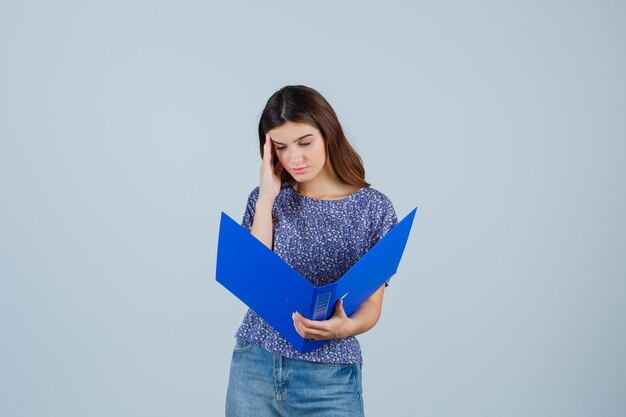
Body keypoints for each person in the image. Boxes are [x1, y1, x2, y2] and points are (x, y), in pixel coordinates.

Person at [225, 85, 397, 417]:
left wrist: (344, 328)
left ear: (327, 134)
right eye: (281, 147)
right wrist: (266, 197)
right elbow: (255, 279)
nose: (294, 158)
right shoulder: (267, 201)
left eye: (304, 143)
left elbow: (372, 306)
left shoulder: (374, 210)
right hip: (255, 366)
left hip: (330, 379)